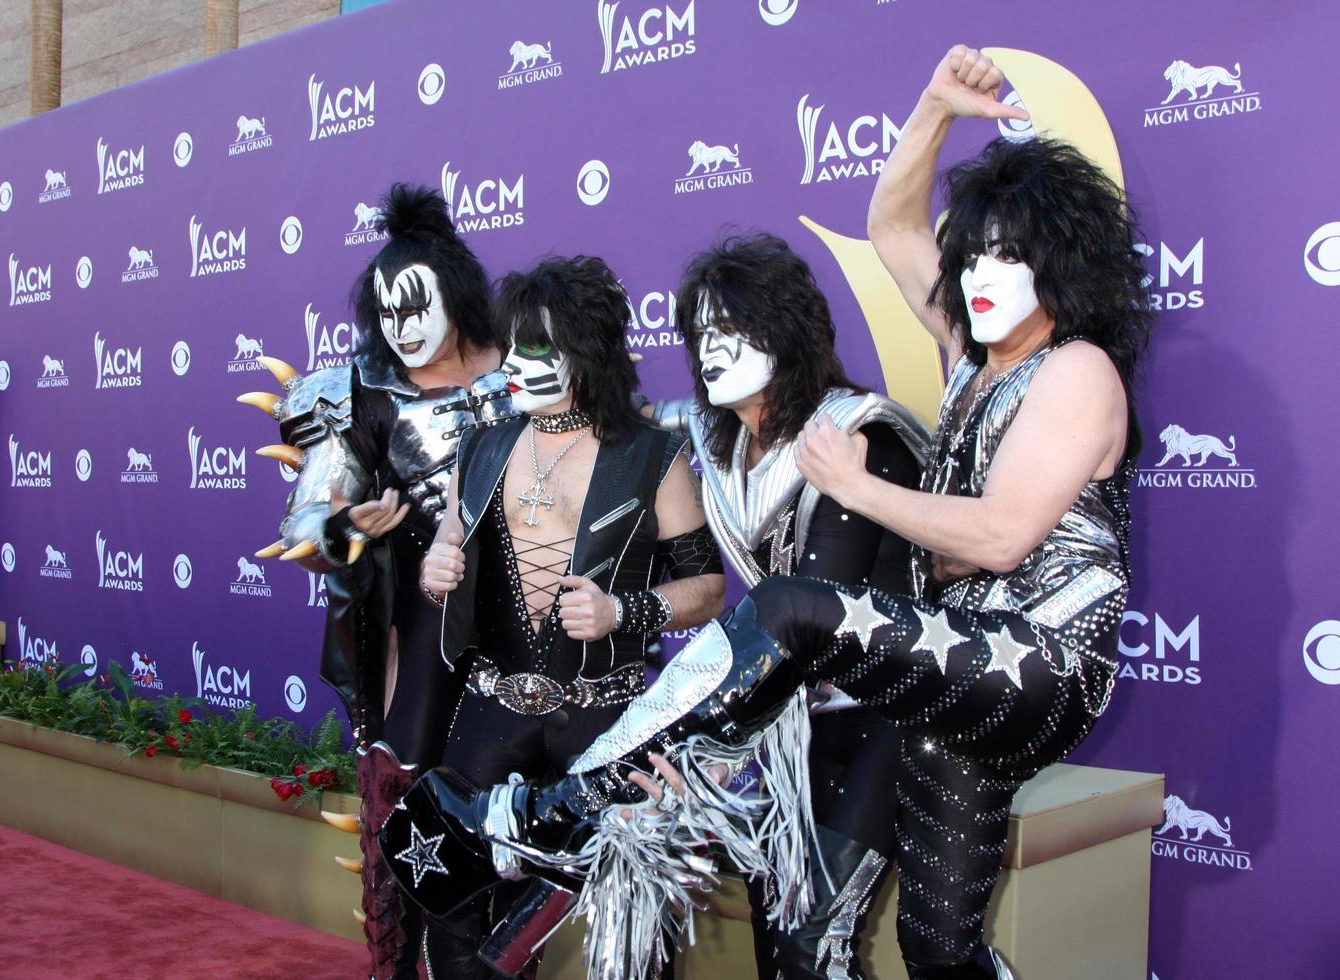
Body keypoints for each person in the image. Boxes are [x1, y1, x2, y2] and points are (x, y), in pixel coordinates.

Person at [384, 44, 1153, 980]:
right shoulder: (972, 353)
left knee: (788, 605)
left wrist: (857, 484)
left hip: (1037, 663)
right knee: (937, 948)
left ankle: (572, 810)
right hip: (955, 685)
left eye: (1010, 254)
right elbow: (891, 219)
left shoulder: (1076, 367)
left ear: (1061, 265)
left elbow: (1003, 533)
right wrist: (935, 105)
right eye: (974, 251)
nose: (982, 273)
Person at [401, 255, 726, 978]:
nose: (513, 364)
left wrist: (625, 610)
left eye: (535, 347)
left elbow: (709, 587)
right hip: (490, 710)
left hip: (602, 720)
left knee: (627, 906)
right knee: (451, 892)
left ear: (586, 352)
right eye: (511, 345)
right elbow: (449, 541)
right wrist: (436, 566)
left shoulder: (653, 456)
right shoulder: (483, 446)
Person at [239, 184, 513, 979]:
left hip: (536, 626)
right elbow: (304, 532)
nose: (403, 325)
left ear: (456, 295)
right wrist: (346, 530)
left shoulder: (532, 369)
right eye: (387, 311)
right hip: (423, 629)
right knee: (408, 800)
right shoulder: (356, 391)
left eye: (416, 303)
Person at [652, 232, 928, 979]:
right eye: (701, 333)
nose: (710, 349)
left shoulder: (855, 431)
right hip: (784, 726)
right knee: (777, 947)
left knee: (813, 942)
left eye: (732, 330)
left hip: (891, 711)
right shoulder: (718, 447)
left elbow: (815, 619)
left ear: (786, 329)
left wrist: (698, 737)